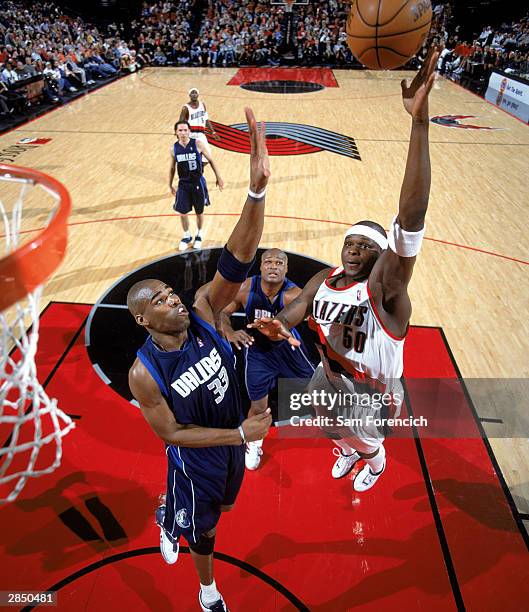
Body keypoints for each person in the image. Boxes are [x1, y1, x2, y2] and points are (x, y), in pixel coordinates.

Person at [250, 46, 440, 493]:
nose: (353, 250)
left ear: (382, 255)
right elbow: (295, 313)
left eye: (365, 246)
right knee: (326, 424)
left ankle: (374, 461)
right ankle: (351, 449)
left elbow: (410, 219)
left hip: (372, 393)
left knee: (367, 439)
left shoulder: (386, 290)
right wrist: (277, 325)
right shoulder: (326, 279)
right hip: (330, 374)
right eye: (349, 243)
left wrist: (418, 123)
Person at [128, 108, 272, 612]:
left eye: (170, 292)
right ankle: (207, 590)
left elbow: (237, 256)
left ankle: (173, 513)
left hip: (231, 440)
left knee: (225, 509)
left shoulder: (206, 310)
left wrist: (256, 193)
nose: (172, 299)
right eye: (159, 301)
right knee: (205, 529)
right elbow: (169, 435)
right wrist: (239, 435)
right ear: (144, 322)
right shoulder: (145, 372)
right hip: (196, 458)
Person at [220, 249, 315, 470]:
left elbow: (316, 320)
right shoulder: (245, 288)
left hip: (287, 349)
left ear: (286, 268)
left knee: (315, 389)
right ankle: (254, 444)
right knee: (258, 406)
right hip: (257, 353)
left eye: (279, 262)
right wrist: (230, 332)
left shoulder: (294, 294)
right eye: (269, 262)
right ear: (261, 267)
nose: (274, 266)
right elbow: (223, 313)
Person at [169, 120, 224, 252]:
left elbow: (211, 160)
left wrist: (219, 177)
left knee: (199, 212)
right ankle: (187, 235)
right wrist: (170, 184)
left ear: (189, 131)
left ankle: (199, 234)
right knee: (182, 212)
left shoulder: (198, 144)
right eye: (180, 130)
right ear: (176, 132)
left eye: (185, 130)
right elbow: (172, 168)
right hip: (183, 184)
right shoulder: (174, 148)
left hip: (197, 182)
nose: (182, 133)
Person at [179, 88, 220, 165]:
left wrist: (213, 132)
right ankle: (191, 174)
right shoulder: (185, 108)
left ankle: (200, 171)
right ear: (189, 95)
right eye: (192, 93)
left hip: (201, 135)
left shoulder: (202, 105)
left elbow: (206, 120)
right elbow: (180, 122)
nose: (194, 94)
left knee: (207, 157)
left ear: (198, 95)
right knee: (190, 159)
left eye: (195, 93)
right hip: (190, 136)